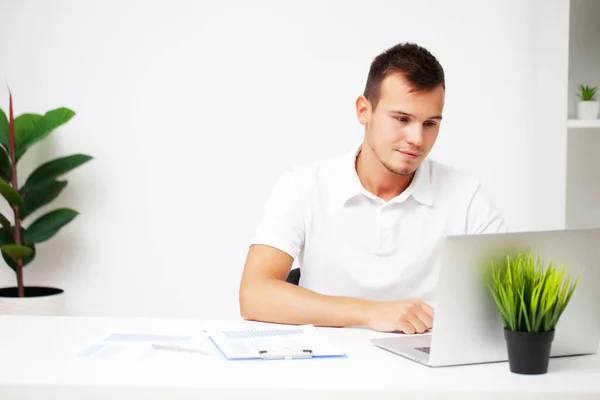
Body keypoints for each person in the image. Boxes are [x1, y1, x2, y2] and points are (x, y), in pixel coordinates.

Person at [238, 42, 507, 334]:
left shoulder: (466, 196)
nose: (417, 138)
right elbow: (254, 294)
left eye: (430, 123)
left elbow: (516, 302)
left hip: (427, 371)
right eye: (402, 119)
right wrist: (372, 313)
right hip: (328, 367)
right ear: (363, 110)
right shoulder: (304, 186)